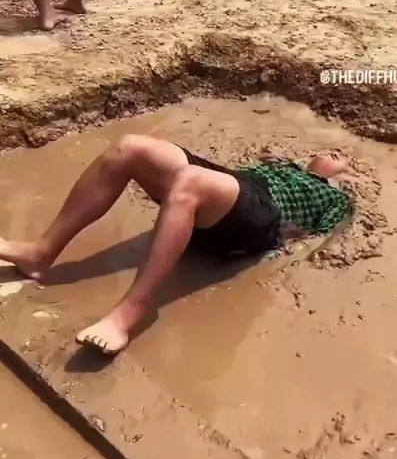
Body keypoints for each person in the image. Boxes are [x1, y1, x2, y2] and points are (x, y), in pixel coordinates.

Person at [0, 136, 353, 355]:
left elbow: (320, 241)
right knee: (129, 147)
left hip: (263, 218)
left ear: (346, 175)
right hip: (230, 191)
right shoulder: (282, 165)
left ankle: (133, 309)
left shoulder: (337, 198)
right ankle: (40, 253)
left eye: (342, 156)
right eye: (330, 149)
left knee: (192, 180)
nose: (334, 150)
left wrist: (282, 251)